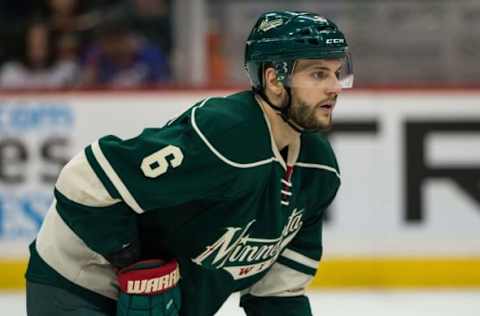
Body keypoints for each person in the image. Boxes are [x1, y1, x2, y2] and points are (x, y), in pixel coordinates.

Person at [25, 10, 354, 316]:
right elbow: (82, 183)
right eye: (318, 74)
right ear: (273, 79)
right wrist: (133, 260)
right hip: (77, 283)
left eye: (338, 73)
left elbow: (279, 295)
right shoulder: (227, 135)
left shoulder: (319, 171)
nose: (335, 87)